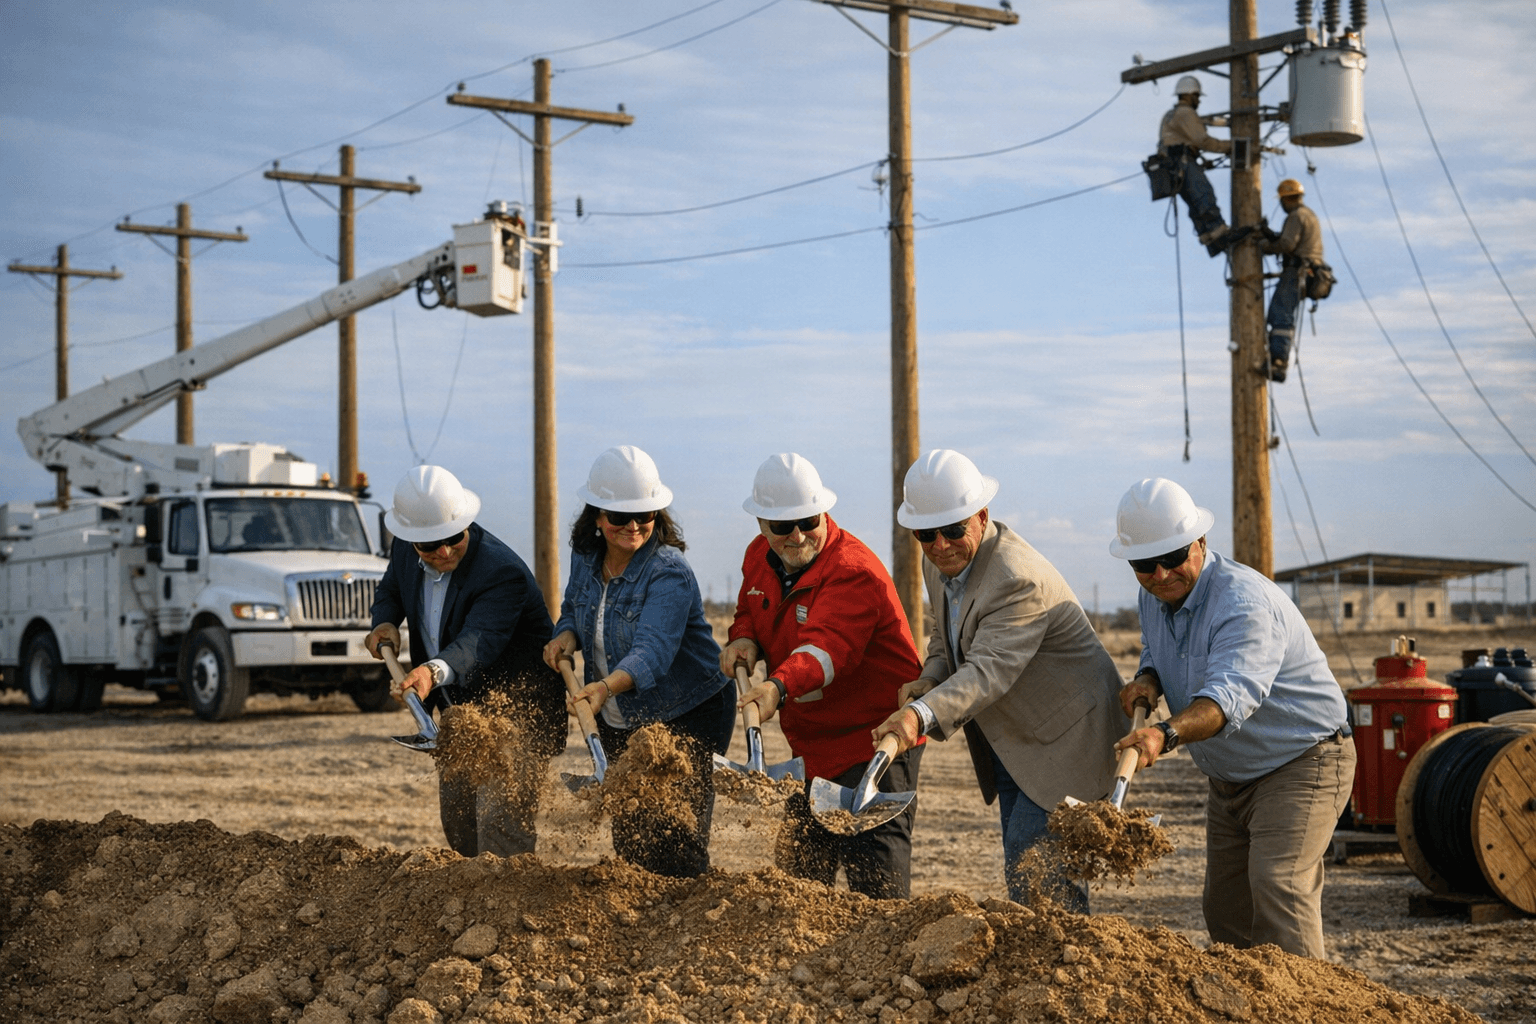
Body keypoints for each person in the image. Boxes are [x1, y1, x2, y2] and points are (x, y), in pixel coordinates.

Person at [1108, 477, 1355, 959]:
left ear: (1200, 542)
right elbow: (1159, 649)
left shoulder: (1243, 605)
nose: (1160, 574)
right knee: (1225, 911)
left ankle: (1307, 1008)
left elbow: (1225, 701)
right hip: (1230, 777)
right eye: (1144, 564)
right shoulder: (1154, 596)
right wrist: (1148, 679)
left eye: (1174, 557)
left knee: (1278, 888)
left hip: (1301, 761)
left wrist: (1163, 734)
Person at [872, 450, 1128, 910]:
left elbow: (988, 670)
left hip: (1068, 737)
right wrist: (930, 678)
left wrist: (918, 716)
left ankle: (1066, 970)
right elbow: (944, 632)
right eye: (926, 534)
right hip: (1016, 737)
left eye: (954, 530)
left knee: (1039, 876)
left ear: (982, 516)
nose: (941, 544)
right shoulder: (940, 565)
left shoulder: (1015, 577)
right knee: (1023, 863)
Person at [721, 453, 925, 898]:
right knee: (798, 888)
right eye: (782, 526)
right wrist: (743, 640)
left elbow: (827, 649)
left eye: (808, 520)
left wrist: (778, 685)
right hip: (810, 749)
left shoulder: (853, 571)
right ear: (761, 524)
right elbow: (751, 612)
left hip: (874, 743)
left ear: (824, 512)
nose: (796, 536)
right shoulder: (758, 557)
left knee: (877, 892)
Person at [541, 446, 734, 879]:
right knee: (632, 835)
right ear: (596, 517)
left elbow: (652, 653)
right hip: (620, 713)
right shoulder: (585, 557)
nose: (633, 526)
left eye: (644, 515)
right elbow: (573, 606)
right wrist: (564, 636)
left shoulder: (669, 571)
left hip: (688, 710)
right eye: (619, 517)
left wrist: (604, 687)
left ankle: (683, 921)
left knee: (674, 838)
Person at [366, 465, 566, 858]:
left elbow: (478, 641)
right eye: (430, 545)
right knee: (460, 826)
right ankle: (475, 907)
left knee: (500, 828)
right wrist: (385, 622)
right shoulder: (405, 549)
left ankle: (508, 906)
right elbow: (391, 587)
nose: (443, 551)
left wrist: (429, 671)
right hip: (460, 711)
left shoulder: (500, 571)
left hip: (519, 713)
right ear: (411, 539)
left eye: (453, 538)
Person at [1158, 76, 1248, 257]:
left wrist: (1200, 159)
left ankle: (1208, 238)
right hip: (1183, 164)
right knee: (1203, 195)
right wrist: (1231, 147)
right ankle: (1219, 232)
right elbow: (1203, 140)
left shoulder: (1170, 115)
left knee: (1194, 203)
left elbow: (1178, 143)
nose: (1198, 100)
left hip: (1172, 168)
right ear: (1190, 95)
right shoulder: (1186, 113)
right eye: (1197, 96)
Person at [1259, 178, 1326, 382]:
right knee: (1280, 314)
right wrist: (1271, 236)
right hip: (1308, 271)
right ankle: (1276, 357)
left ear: (1285, 199)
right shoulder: (1309, 215)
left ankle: (1278, 361)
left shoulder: (1296, 216)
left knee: (1280, 315)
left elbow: (1288, 244)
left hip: (1298, 271)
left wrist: (1263, 246)